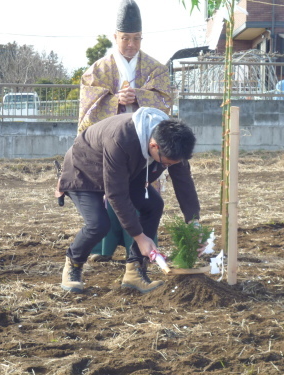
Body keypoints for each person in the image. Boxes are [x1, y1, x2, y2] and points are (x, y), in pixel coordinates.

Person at [58, 107, 201, 294]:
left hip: (125, 173)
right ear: (153, 146)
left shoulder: (173, 141)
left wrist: (193, 221)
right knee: (99, 225)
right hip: (84, 171)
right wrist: (140, 238)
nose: (166, 167)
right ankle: (73, 265)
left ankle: (135, 271)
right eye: (164, 163)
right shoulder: (120, 138)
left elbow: (183, 181)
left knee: (154, 205)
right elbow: (116, 194)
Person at [77, 0, 173, 262]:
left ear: (142, 37)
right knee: (109, 192)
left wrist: (139, 96)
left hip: (144, 149)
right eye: (125, 38)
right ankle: (102, 250)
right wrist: (113, 100)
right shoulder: (98, 70)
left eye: (136, 38)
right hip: (111, 147)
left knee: (144, 196)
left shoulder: (156, 69)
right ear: (115, 37)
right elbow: (87, 108)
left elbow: (165, 102)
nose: (131, 44)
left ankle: (137, 254)